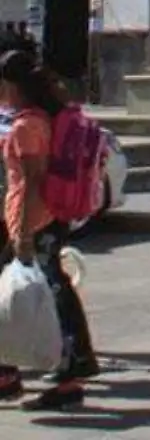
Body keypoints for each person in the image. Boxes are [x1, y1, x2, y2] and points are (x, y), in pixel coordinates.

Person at [0, 47, 97, 411]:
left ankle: (68, 375)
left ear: (12, 85)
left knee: (48, 294)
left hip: (34, 222)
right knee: (48, 289)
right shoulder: (43, 117)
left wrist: (22, 233)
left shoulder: (27, 126)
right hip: (47, 218)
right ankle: (14, 372)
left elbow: (30, 183)